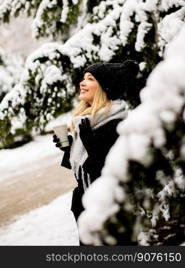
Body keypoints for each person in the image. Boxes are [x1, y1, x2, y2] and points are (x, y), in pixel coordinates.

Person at [53, 60, 140, 243]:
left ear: (104, 87)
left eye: (90, 79)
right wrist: (68, 148)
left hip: (110, 214)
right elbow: (82, 171)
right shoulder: (88, 122)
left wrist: (90, 142)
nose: (82, 83)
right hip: (87, 209)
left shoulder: (117, 124)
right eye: (83, 78)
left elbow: (113, 173)